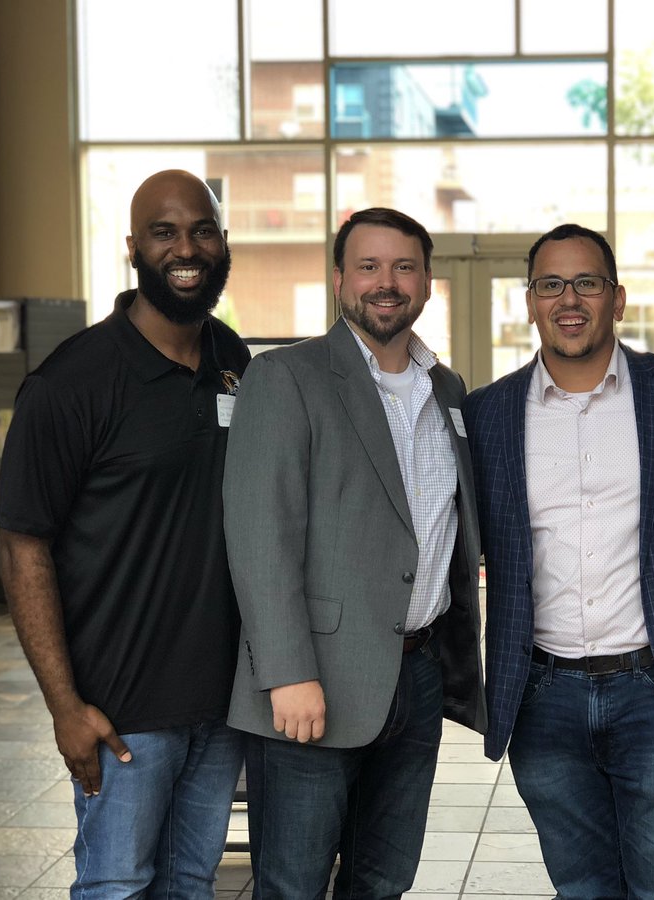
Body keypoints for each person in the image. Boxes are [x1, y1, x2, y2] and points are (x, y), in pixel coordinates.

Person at [464, 224, 654, 899]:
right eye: (551, 284)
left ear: (616, 299)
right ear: (529, 302)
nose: (569, 299)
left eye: (586, 282)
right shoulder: (488, 416)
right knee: (582, 889)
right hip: (543, 698)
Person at [0, 169, 249, 897]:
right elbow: (22, 547)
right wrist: (64, 707)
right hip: (121, 714)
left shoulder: (233, 361)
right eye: (165, 232)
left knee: (190, 885)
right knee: (116, 886)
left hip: (220, 700)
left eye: (201, 229)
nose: (186, 247)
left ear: (222, 242)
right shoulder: (71, 383)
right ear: (133, 245)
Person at [222, 207, 486, 899]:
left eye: (404, 267)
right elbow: (259, 537)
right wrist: (286, 674)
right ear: (340, 280)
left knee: (382, 880)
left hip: (418, 673)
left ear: (427, 282)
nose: (386, 282)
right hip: (315, 682)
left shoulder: (446, 389)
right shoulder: (286, 379)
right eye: (368, 266)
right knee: (293, 884)